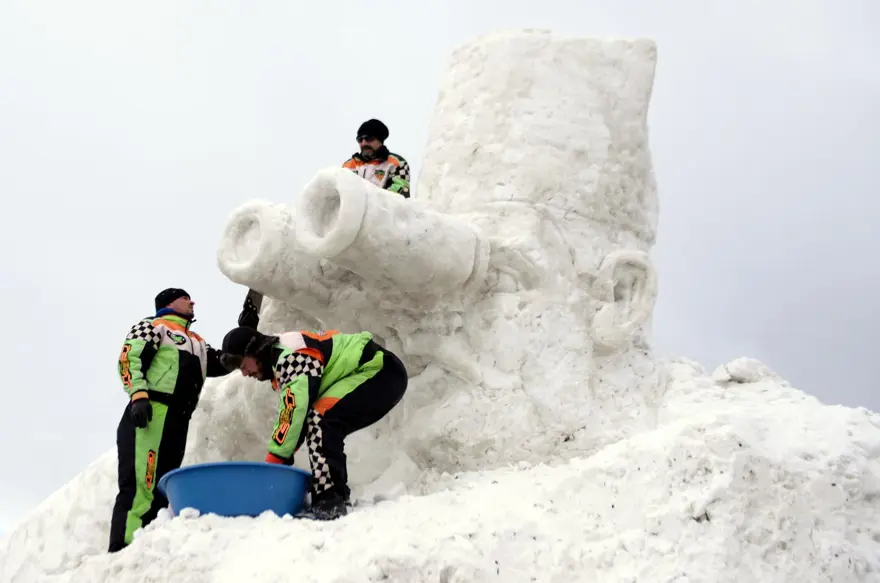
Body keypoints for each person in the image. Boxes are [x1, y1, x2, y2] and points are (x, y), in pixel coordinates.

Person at [219, 325, 408, 520]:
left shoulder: (291, 356)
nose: (244, 373)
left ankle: (330, 500)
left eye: (242, 365)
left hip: (380, 370)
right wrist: (283, 459)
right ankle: (333, 496)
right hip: (377, 372)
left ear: (255, 350)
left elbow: (293, 411)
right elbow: (299, 416)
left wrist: (275, 459)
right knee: (319, 418)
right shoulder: (283, 357)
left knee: (321, 419)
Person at [109, 288, 228, 552]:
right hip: (150, 413)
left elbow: (221, 362)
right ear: (169, 302)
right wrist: (138, 396)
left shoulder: (197, 342)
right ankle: (122, 550)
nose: (192, 301)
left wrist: (245, 334)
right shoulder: (154, 326)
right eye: (186, 298)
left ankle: (149, 547)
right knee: (141, 483)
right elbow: (129, 358)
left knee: (163, 486)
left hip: (179, 419)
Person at [342, 118, 411, 198]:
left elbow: (399, 197)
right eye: (360, 140)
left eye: (368, 139)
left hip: (382, 210)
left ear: (380, 141)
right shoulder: (348, 165)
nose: (363, 143)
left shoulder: (397, 163)